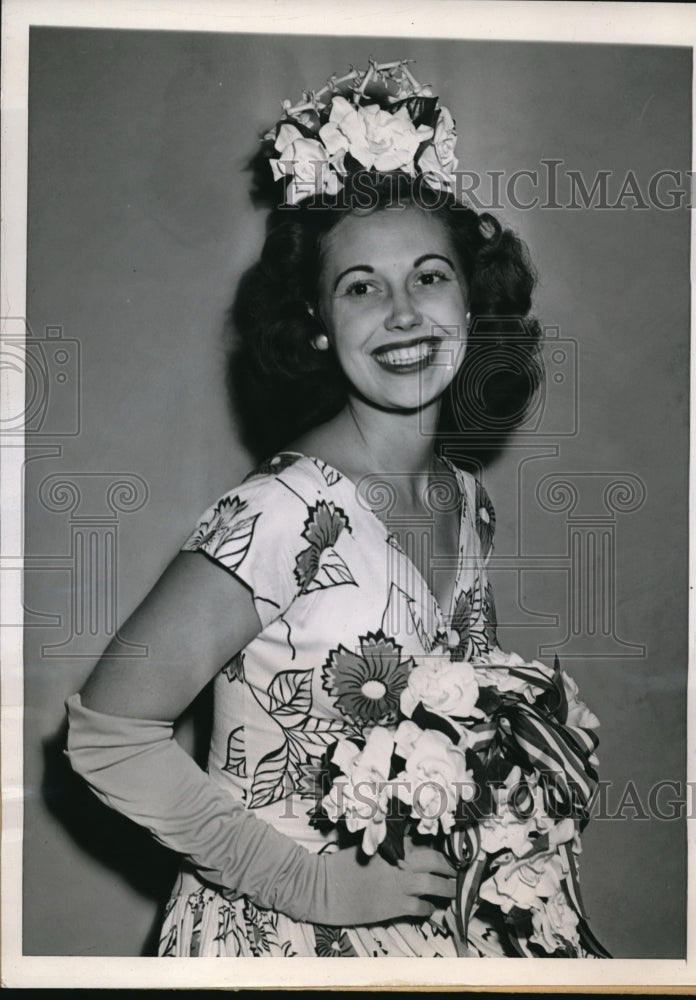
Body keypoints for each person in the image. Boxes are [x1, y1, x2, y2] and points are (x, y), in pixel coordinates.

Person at [66, 60, 543, 958]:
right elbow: (105, 735)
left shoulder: (467, 503)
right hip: (272, 938)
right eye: (361, 286)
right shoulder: (281, 511)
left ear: (472, 305)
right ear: (319, 322)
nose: (402, 314)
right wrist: (310, 883)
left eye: (429, 277)